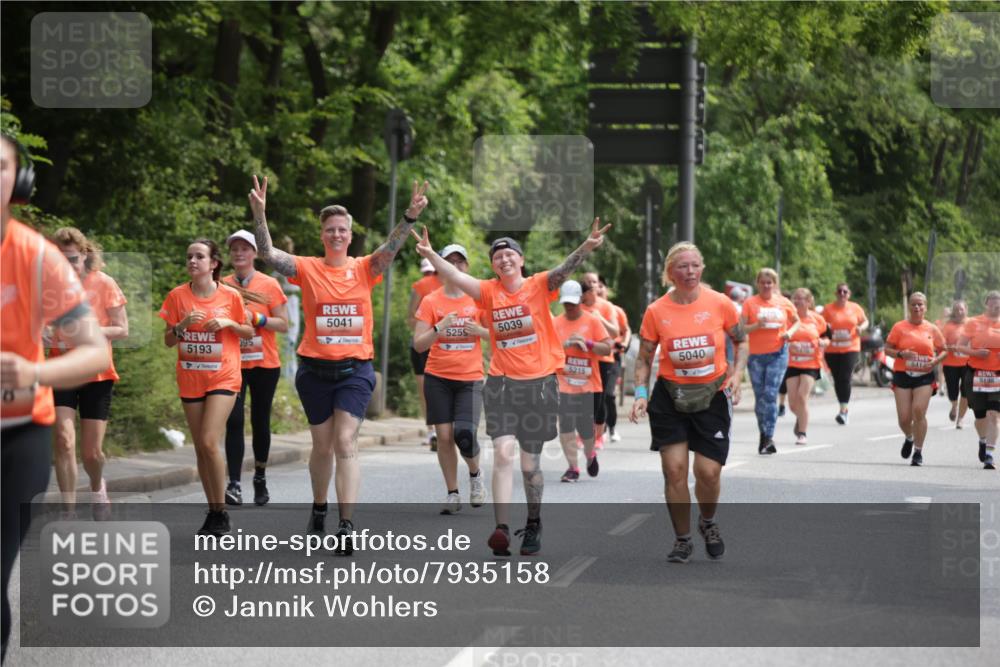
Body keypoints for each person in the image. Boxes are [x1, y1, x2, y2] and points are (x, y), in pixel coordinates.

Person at [250, 175, 429, 552]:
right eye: (329, 229)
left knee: (346, 440)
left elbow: (390, 248)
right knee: (322, 447)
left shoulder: (366, 267)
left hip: (354, 371)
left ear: (349, 236)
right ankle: (319, 505)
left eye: (342, 230)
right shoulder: (307, 267)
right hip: (315, 371)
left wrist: (410, 217)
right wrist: (259, 214)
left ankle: (346, 524)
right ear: (323, 236)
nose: (336, 235)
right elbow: (267, 255)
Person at [413, 218, 611, 557]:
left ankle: (533, 523)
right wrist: (431, 253)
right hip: (502, 384)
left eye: (509, 254)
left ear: (520, 260)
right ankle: (501, 528)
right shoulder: (487, 292)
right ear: (492, 265)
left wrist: (586, 247)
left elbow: (563, 270)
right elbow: (458, 276)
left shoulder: (538, 286)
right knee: (503, 454)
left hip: (539, 385)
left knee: (529, 465)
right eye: (497, 256)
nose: (503, 259)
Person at [1, 133, 110, 658]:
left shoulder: (36, 258)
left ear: (18, 182)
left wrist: (34, 369)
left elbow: (91, 350)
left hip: (16, 431)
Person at [630, 242, 748, 564]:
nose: (690, 271)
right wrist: (640, 394)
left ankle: (707, 522)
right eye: (682, 266)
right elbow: (643, 359)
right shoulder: (657, 311)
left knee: (708, 473)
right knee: (674, 470)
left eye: (695, 265)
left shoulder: (720, 304)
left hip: (713, 396)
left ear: (702, 269)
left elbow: (741, 340)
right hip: (671, 396)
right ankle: (682, 539)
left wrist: (737, 374)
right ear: (671, 273)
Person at [160, 238, 253, 534]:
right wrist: (182, 325)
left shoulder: (230, 296)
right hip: (190, 376)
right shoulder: (176, 296)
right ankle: (214, 510)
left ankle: (221, 510)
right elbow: (168, 340)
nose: (192, 261)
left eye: (199, 256)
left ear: (213, 264)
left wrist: (228, 324)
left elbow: (248, 331)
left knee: (210, 440)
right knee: (201, 447)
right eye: (189, 256)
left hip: (223, 376)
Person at [47, 228, 128, 521]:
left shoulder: (104, 283)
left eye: (72, 259)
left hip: (98, 374)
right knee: (64, 439)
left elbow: (122, 328)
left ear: (84, 256)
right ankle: (67, 512)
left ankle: (97, 487)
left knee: (92, 453)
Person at [412, 244, 489, 514]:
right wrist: (438, 328)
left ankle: (476, 475)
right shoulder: (431, 301)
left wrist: (478, 330)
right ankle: (453, 492)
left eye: (460, 262)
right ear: (440, 267)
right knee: (444, 437)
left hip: (470, 378)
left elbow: (499, 335)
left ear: (467, 266)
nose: (455, 266)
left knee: (464, 434)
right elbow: (419, 345)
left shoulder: (478, 298)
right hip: (438, 377)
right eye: (450, 262)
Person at [222, 230, 289, 506]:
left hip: (264, 362)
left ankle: (259, 476)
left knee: (260, 421)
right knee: (233, 421)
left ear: (255, 254)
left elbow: (283, 324)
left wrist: (258, 317)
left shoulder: (269, 285)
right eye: (234, 249)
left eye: (245, 249)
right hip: (231, 362)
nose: (239, 253)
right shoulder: (221, 285)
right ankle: (234, 483)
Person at [553, 280, 613, 481]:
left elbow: (607, 348)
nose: (569, 307)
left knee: (585, 427)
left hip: (589, 384)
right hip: (564, 383)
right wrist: (565, 344)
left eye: (573, 302)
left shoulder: (593, 321)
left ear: (580, 299)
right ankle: (572, 468)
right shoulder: (556, 323)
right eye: (566, 303)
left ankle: (590, 454)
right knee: (566, 425)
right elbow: (547, 351)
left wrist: (587, 343)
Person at [884, 292, 946, 467]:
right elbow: (887, 349)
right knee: (904, 419)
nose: (917, 307)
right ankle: (909, 437)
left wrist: (936, 360)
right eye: (914, 304)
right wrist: (901, 354)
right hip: (903, 374)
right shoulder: (899, 327)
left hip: (924, 376)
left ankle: (918, 452)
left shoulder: (932, 329)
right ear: (909, 307)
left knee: (918, 411)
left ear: (925, 307)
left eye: (920, 304)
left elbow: (944, 349)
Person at [741, 268, 799, 454]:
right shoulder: (750, 303)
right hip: (756, 356)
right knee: (760, 398)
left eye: (770, 282)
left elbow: (797, 321)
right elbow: (741, 329)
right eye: (763, 282)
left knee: (770, 394)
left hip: (778, 354)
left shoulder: (783, 302)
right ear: (757, 283)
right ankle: (763, 435)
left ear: (775, 284)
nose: (766, 285)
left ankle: (769, 437)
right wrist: (757, 325)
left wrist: (790, 332)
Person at [956, 291, 1000, 469]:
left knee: (993, 415)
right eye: (993, 304)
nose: (996, 307)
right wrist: (975, 353)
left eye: (999, 304)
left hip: (998, 376)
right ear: (986, 304)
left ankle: (989, 454)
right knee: (980, 416)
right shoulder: (973, 323)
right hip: (976, 375)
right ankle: (982, 440)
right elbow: (959, 347)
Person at [784, 288, 829, 445]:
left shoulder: (817, 319)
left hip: (811, 363)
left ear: (809, 302)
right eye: (795, 298)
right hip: (792, 363)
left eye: (801, 298)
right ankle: (801, 417)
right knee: (792, 403)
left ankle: (802, 433)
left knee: (802, 397)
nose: (796, 301)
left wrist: (824, 343)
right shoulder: (788, 319)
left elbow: (827, 336)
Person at [580, 272, 620, 449]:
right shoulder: (577, 306)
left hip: (603, 358)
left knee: (599, 398)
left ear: (598, 286)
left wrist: (600, 318)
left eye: (593, 282)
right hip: (582, 358)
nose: (590, 285)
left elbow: (615, 332)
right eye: (586, 282)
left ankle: (598, 435)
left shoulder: (606, 306)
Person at [408, 257, 442, 450]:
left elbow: (410, 317)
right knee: (437, 387)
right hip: (434, 342)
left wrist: (423, 329)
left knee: (424, 390)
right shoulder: (450, 282)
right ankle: (437, 430)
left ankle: (432, 431)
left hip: (421, 342)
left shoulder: (418, 285)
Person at [823, 283, 869, 424]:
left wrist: (861, 327)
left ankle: (844, 411)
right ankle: (843, 407)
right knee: (837, 379)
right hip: (832, 349)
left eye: (845, 292)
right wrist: (827, 328)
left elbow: (865, 321)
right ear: (836, 293)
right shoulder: (828, 309)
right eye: (840, 291)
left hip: (851, 347)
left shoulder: (855, 308)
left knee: (845, 376)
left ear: (849, 294)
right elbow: (820, 324)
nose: (842, 294)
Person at [597, 274, 630, 443]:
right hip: (595, 357)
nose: (598, 289)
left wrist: (623, 343)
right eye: (595, 285)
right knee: (597, 395)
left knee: (609, 394)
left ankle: (612, 428)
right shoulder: (587, 310)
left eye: (601, 285)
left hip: (613, 356)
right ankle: (598, 428)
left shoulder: (615, 310)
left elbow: (626, 330)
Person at [938, 300, 971, 430]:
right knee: (952, 391)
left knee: (966, 392)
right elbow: (941, 343)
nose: (959, 312)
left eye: (961, 309)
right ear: (953, 312)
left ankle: (961, 418)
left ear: (966, 310)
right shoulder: (948, 326)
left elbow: (978, 341)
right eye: (956, 310)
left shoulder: (972, 324)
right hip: (950, 363)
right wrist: (949, 347)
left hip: (969, 363)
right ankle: (954, 405)